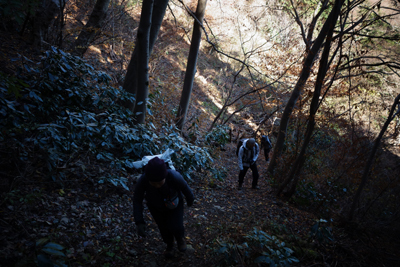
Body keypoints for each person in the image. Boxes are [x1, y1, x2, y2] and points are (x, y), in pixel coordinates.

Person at [133, 157, 194, 258]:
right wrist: (139, 221)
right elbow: (137, 200)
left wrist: (190, 199)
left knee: (177, 225)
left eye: (159, 182)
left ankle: (180, 239)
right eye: (153, 183)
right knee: (163, 228)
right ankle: (169, 245)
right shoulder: (143, 180)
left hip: (175, 204)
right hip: (156, 207)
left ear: (165, 177)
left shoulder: (174, 176)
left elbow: (185, 188)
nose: (157, 185)